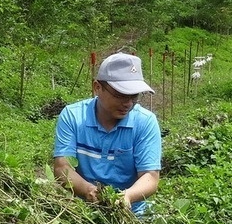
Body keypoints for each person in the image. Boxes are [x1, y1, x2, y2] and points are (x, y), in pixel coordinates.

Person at [53, 51, 162, 214]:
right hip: (83, 212)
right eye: (120, 95)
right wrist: (88, 191)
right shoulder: (73, 116)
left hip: (133, 214)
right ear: (97, 87)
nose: (128, 103)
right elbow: (62, 167)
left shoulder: (145, 122)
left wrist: (127, 197)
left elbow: (150, 176)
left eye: (134, 96)